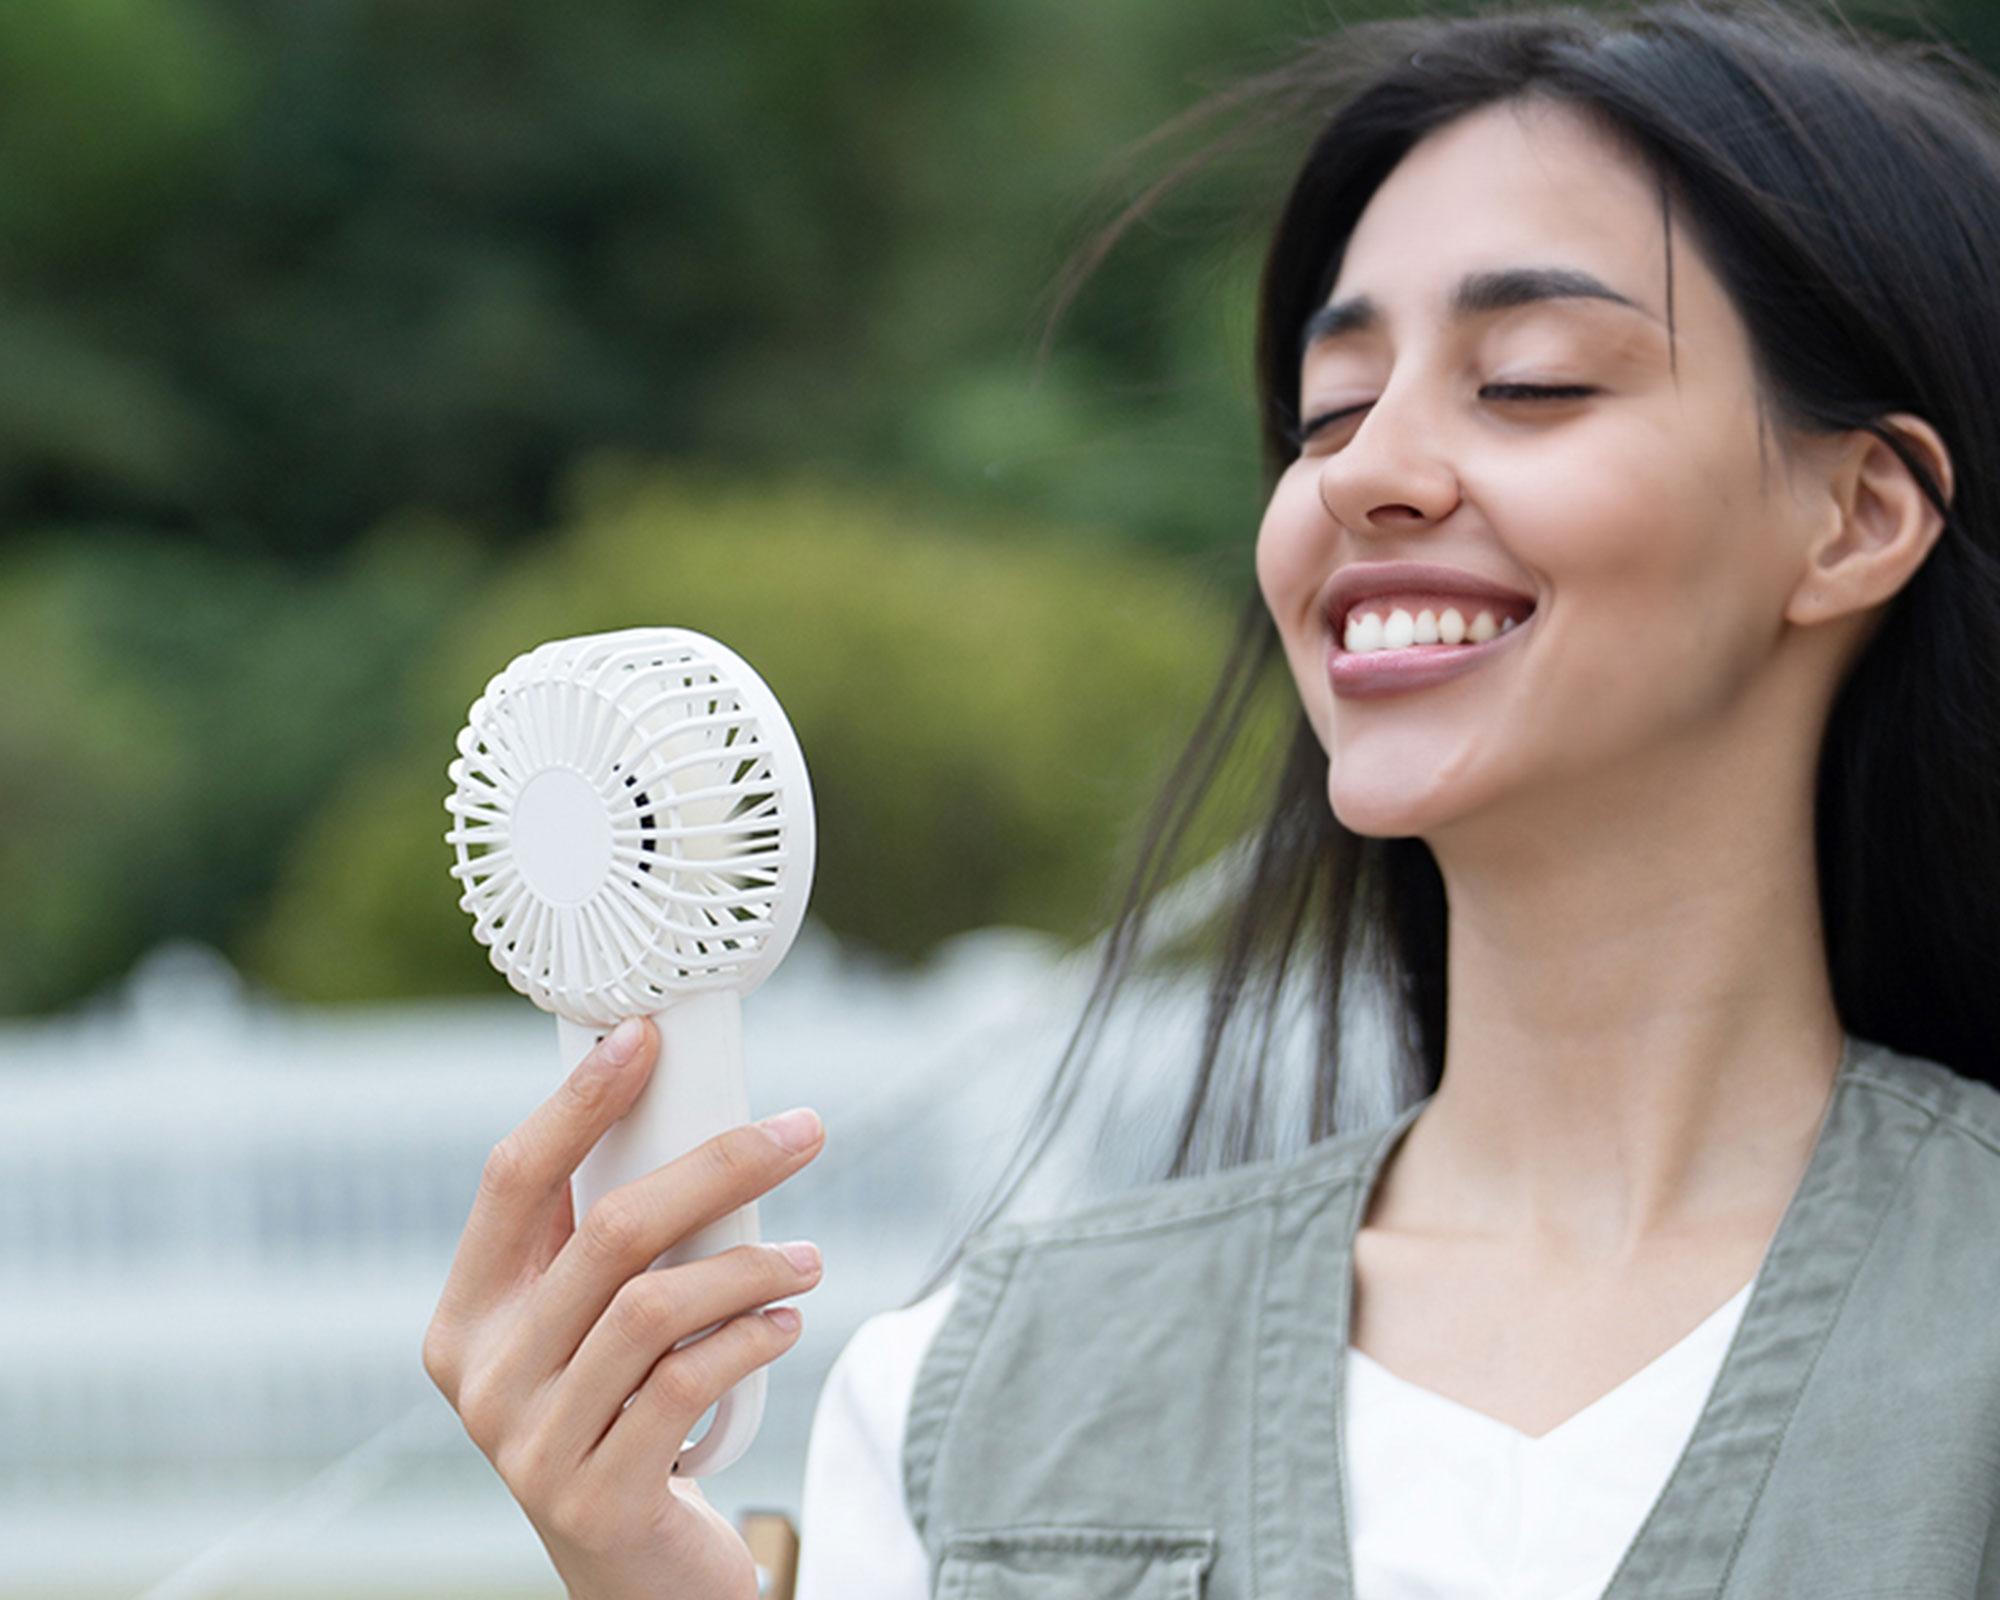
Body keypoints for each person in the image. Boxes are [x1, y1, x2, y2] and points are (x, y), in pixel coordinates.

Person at [422, 2, 2000, 1596]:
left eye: (1529, 382)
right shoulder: (964, 1403)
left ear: (1856, 515)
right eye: (1328, 410)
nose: (1364, 472)